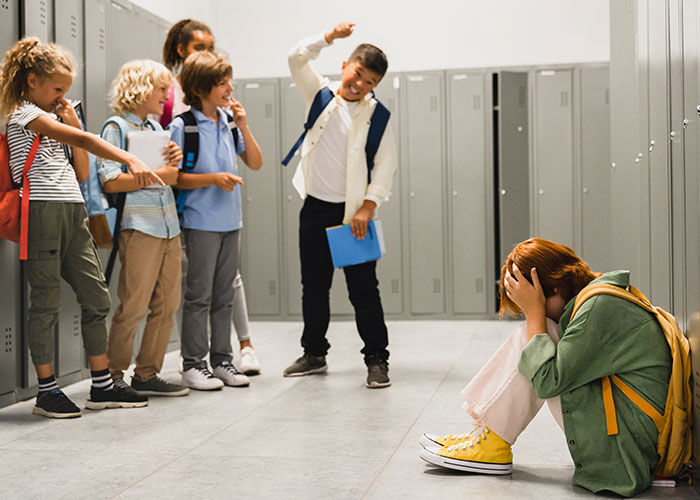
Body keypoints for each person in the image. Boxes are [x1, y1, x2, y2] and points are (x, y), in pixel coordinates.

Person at [419, 238, 672, 497]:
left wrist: (535, 314)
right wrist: (536, 314)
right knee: (539, 334)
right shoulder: (597, 297)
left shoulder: (600, 309)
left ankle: (492, 443)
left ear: (553, 289)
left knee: (541, 334)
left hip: (626, 453)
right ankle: (488, 435)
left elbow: (547, 382)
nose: (540, 312)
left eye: (536, 301)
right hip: (629, 434)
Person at [0, 38, 162, 417]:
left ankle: (103, 384)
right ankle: (46, 390)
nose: (61, 97)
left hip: (73, 209)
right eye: (57, 89)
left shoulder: (57, 117)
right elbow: (82, 139)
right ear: (31, 82)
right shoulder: (22, 114)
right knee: (45, 302)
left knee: (97, 297)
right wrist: (125, 155)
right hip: (41, 210)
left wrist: (71, 121)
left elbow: (83, 170)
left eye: (66, 91)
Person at [282, 22, 398, 388]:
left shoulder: (376, 115)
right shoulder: (319, 95)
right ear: (346, 64)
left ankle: (377, 359)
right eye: (358, 73)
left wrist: (368, 206)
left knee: (364, 290)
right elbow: (296, 58)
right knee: (313, 286)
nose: (360, 84)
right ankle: (314, 353)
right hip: (315, 208)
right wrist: (327, 38)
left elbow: (386, 164)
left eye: (369, 82)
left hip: (353, 216)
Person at [161, 18, 262, 375]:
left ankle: (223, 362)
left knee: (224, 297)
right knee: (199, 297)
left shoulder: (228, 121)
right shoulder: (182, 126)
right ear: (203, 88)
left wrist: (245, 124)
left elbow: (255, 161)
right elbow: (177, 179)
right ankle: (193, 364)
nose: (229, 88)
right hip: (201, 223)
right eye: (222, 83)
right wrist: (213, 179)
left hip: (230, 222)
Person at [98, 59, 188, 397]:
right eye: (162, 89)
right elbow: (110, 181)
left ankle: (147, 373)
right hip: (140, 228)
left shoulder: (155, 131)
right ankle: (112, 375)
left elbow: (171, 177)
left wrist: (172, 163)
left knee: (167, 304)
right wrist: (157, 176)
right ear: (139, 88)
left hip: (168, 227)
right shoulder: (116, 128)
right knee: (133, 306)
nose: (167, 97)